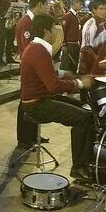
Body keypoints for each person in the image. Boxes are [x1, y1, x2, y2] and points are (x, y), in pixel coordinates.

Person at [20, 13, 94, 180]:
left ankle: (87, 160)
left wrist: (63, 73)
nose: (57, 32)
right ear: (47, 31)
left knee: (86, 109)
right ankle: (79, 167)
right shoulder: (38, 51)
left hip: (42, 98)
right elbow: (53, 86)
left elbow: (44, 71)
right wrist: (80, 84)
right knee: (82, 118)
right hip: (36, 104)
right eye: (55, 28)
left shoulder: (36, 47)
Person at [15, 0, 50, 147]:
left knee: (36, 99)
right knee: (26, 103)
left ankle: (34, 134)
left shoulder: (34, 21)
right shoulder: (26, 22)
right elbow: (26, 48)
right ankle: (24, 138)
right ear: (40, 4)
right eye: (47, 4)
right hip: (29, 69)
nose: (48, 7)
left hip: (35, 68)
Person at [79, 0, 106, 76]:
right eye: (101, 9)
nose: (104, 11)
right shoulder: (90, 24)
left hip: (102, 68)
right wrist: (99, 62)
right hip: (90, 69)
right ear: (94, 10)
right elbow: (86, 49)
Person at [59, 0, 84, 74]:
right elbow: (63, 30)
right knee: (66, 65)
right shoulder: (68, 16)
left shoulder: (76, 16)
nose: (81, 6)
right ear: (74, 3)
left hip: (75, 44)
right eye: (80, 4)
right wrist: (63, 44)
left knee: (73, 66)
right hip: (69, 45)